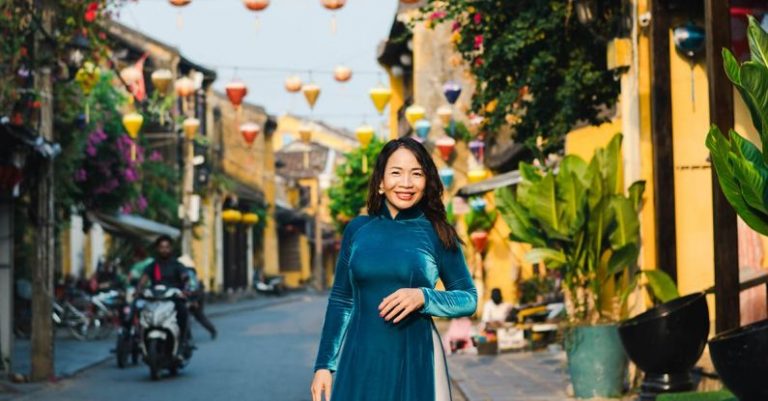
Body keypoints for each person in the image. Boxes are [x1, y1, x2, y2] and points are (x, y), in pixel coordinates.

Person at [310, 138, 478, 401]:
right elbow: (342, 300)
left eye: (417, 174)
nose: (407, 183)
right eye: (396, 173)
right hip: (359, 358)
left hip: (414, 357)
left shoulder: (437, 233)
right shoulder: (357, 230)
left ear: (427, 181)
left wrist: (423, 297)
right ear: (380, 182)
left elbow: (468, 298)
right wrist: (324, 365)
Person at [137, 235, 190, 347]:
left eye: (167, 247)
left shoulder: (177, 264)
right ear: (157, 248)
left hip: (173, 298)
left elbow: (184, 276)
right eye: (161, 247)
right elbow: (144, 278)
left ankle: (183, 340)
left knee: (183, 312)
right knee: (138, 310)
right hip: (155, 298)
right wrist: (139, 289)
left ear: (171, 248)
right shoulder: (153, 265)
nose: (164, 250)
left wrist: (186, 288)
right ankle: (138, 340)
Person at [178, 255, 217, 340]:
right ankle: (211, 330)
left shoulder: (188, 273)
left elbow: (192, 288)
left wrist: (193, 300)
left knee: (192, 316)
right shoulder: (190, 271)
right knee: (195, 316)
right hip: (192, 296)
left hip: (194, 297)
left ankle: (188, 336)